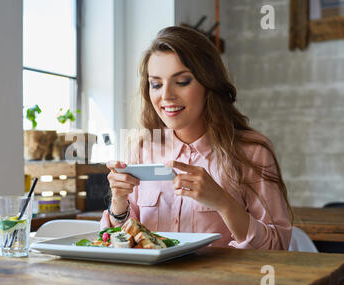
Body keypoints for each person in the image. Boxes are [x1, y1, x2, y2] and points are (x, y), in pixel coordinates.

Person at [101, 26, 292, 250]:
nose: (166, 95)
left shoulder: (252, 151)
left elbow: (277, 247)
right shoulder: (142, 147)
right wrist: (119, 202)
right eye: (156, 84)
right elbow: (117, 244)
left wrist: (223, 202)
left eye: (182, 81)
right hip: (150, 284)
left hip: (222, 284)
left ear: (208, 84)